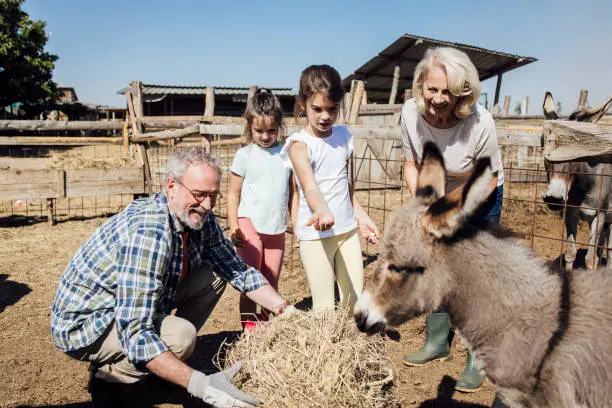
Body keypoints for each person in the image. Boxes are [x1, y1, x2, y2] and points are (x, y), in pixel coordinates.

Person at [51, 147, 295, 408]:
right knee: (182, 338)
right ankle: (109, 378)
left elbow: (235, 268)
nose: (208, 205)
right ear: (171, 186)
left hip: (129, 305)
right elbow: (134, 331)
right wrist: (201, 384)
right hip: (89, 323)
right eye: (200, 195)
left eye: (214, 195)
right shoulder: (150, 233)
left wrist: (286, 310)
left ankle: (165, 362)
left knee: (214, 274)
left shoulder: (198, 215)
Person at [399, 47, 505, 397]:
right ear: (421, 86)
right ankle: (437, 341)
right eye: (432, 89)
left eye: (448, 92)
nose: (439, 99)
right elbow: (412, 163)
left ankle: (477, 358)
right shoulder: (409, 115)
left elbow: (487, 180)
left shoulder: (479, 122)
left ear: (462, 93)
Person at [282, 64, 380, 312]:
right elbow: (309, 185)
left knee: (353, 300)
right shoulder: (299, 144)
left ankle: (353, 349)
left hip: (346, 231)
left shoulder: (344, 137)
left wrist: (361, 216)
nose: (325, 116)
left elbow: (345, 184)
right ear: (302, 103)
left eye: (332, 108)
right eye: (317, 109)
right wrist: (322, 210)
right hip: (316, 236)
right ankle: (325, 351)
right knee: (324, 306)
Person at [228, 88, 297, 328]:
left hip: (276, 228)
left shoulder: (287, 154)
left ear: (279, 126)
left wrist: (295, 222)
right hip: (249, 223)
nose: (265, 136)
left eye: (271, 130)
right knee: (251, 279)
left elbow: (293, 192)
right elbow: (232, 193)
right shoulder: (244, 155)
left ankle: (267, 327)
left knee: (271, 280)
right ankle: (249, 327)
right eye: (259, 130)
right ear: (249, 127)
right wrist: (234, 226)